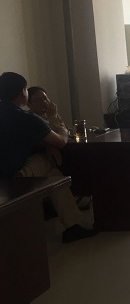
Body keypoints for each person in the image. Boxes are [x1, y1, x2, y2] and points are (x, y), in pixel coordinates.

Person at [0, 72, 96, 243]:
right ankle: (72, 226)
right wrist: (61, 132)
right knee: (48, 161)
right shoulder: (26, 118)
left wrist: (47, 145)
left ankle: (72, 225)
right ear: (23, 93)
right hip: (13, 176)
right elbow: (61, 142)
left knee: (54, 177)